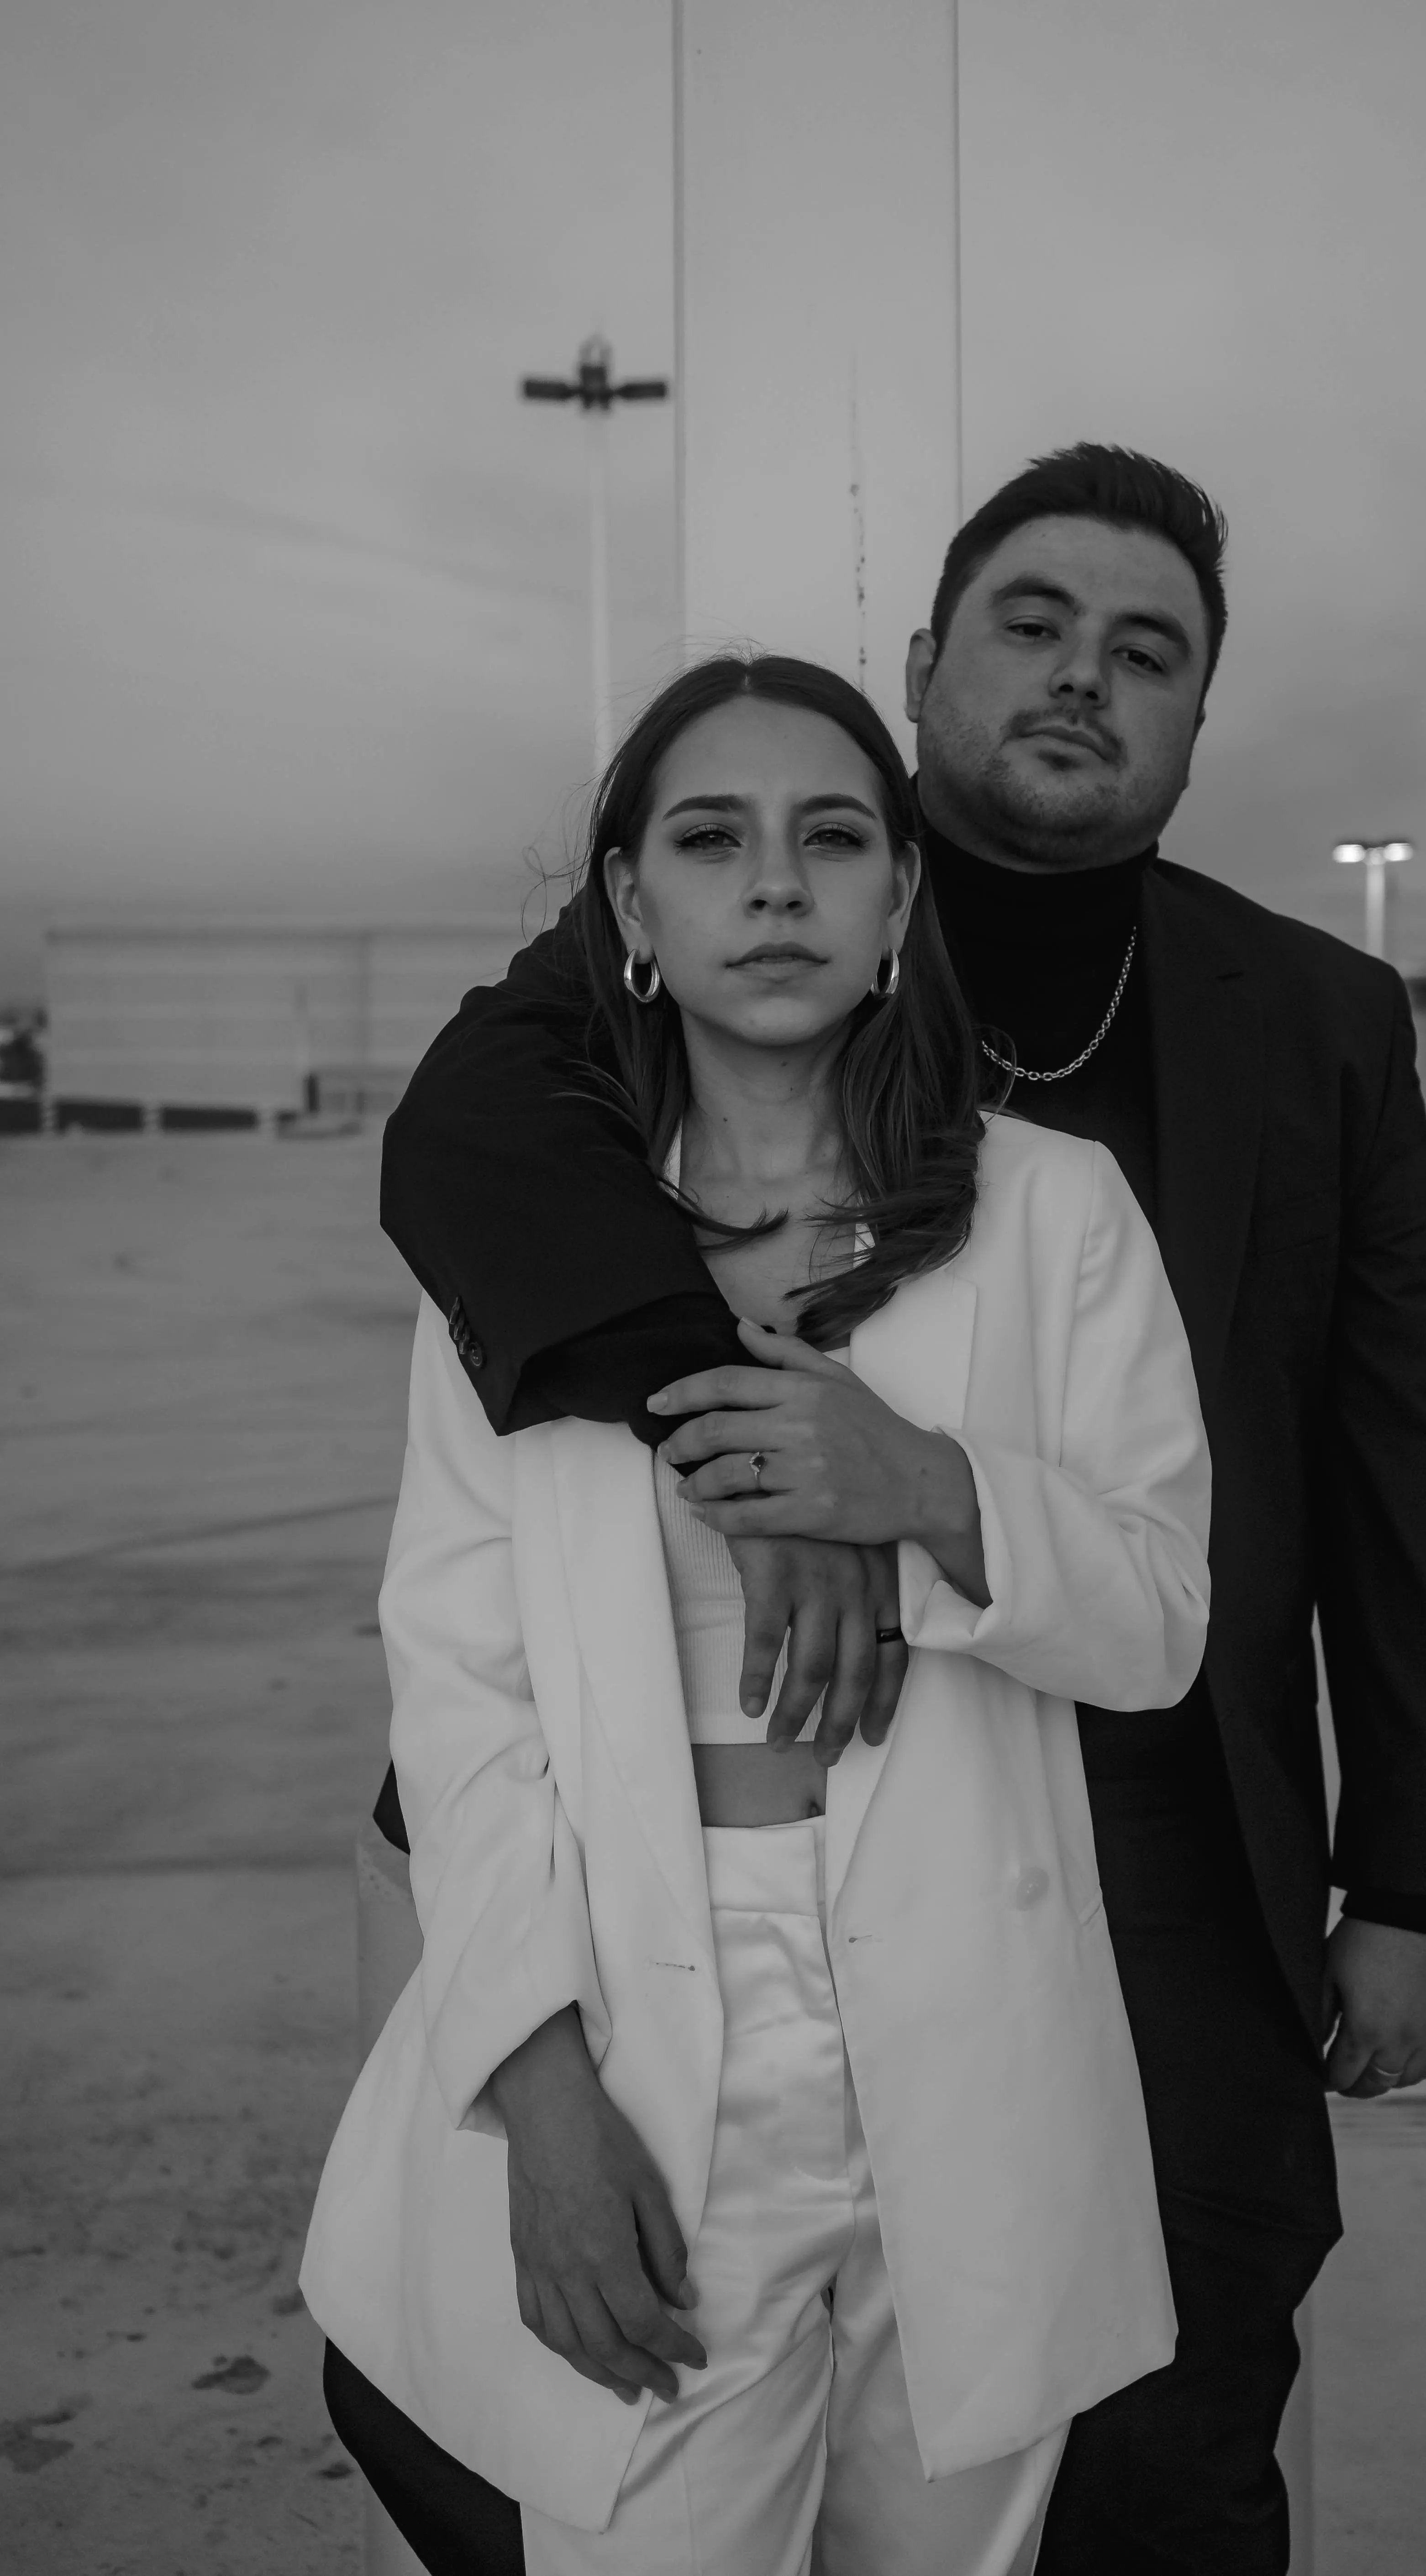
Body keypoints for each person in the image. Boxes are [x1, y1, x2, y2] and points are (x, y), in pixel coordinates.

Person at [374, 445, 1426, 2573]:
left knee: (1156, 2424)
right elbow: (464, 1155)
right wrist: (760, 1464)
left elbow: (1399, 1449)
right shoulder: (746, 896)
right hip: (718, 1865)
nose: (1083, 676)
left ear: (1195, 719)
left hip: (1171, 1821)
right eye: (1032, 624)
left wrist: (1415, 1872)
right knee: (594, 2420)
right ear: (924, 667)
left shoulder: (1305, 1021)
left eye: (1145, 652)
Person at [304, 654, 1213, 2576]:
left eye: (834, 839)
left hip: (976, 2040)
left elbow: (1155, 1623)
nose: (778, 885)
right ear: (630, 909)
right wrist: (539, 2097)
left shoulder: (1056, 1214)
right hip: (644, 2030)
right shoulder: (528, 1256)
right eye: (713, 840)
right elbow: (461, 1699)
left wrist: (929, 1488)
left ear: (900, 898)